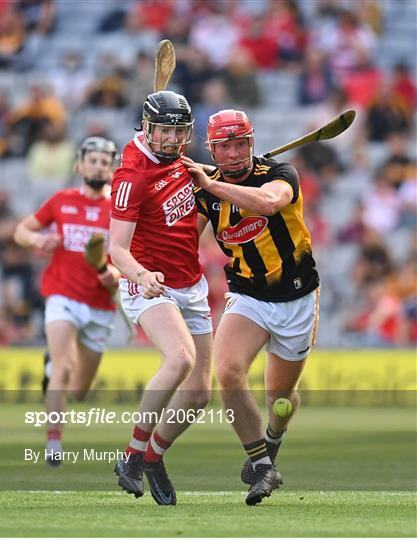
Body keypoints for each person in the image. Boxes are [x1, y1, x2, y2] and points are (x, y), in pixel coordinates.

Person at [181, 109, 320, 506]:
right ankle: (261, 465)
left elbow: (268, 204)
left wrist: (212, 185)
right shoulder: (206, 193)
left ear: (252, 142)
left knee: (280, 396)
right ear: (212, 148)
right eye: (225, 146)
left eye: (240, 143)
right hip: (248, 297)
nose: (234, 152)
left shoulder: (280, 174)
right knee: (227, 370)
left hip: (296, 297)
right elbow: (183, 245)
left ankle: (273, 439)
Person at [109, 91, 213, 506]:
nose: (172, 139)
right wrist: (141, 274)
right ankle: (131, 455)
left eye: (178, 131)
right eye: (164, 131)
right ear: (147, 128)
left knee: (201, 393)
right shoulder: (131, 176)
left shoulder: (181, 162)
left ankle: (154, 456)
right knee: (180, 358)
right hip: (148, 282)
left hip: (191, 282)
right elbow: (116, 249)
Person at [14, 136, 120, 466]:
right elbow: (21, 230)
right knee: (63, 367)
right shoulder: (61, 200)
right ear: (79, 165)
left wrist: (114, 276)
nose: (98, 166)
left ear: (113, 170)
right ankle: (53, 443)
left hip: (100, 305)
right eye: (93, 160)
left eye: (105, 162)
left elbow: (128, 256)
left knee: (80, 390)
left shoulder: (119, 210)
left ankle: (55, 370)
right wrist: (37, 239)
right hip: (62, 295)